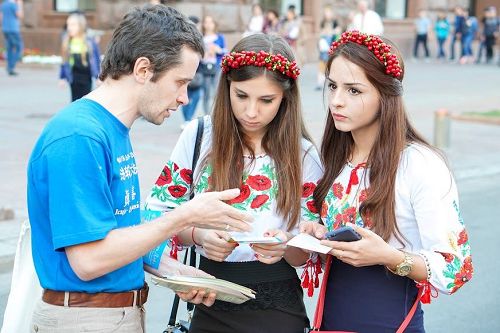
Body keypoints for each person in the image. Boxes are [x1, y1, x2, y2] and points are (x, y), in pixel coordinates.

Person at [27, 5, 253, 332]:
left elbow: (117, 231)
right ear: (143, 69)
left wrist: (170, 267)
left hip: (111, 314)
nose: (184, 98)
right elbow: (89, 261)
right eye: (180, 82)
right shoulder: (80, 136)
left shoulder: (109, 129)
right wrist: (185, 215)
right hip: (86, 319)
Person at [144, 33, 323, 333]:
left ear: (286, 97)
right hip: (208, 295)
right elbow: (157, 215)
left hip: (277, 304)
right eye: (241, 95)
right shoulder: (199, 136)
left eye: (267, 100)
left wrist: (285, 245)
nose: (251, 112)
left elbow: (308, 249)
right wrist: (199, 234)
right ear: (226, 87)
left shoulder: (303, 154)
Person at [300, 30, 473, 332]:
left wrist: (389, 257)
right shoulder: (333, 159)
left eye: (354, 90)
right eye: (332, 86)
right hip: (330, 321)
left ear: (385, 94)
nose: (336, 101)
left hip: (391, 322)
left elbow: (457, 267)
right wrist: (317, 234)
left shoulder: (418, 163)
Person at [59, 13, 101, 101]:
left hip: (86, 77)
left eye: (73, 25)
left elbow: (96, 60)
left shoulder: (89, 42)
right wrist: (62, 77)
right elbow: (64, 61)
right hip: (73, 77)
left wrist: (98, 77)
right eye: (68, 25)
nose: (69, 27)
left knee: (85, 99)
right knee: (74, 100)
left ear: (81, 26)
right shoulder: (67, 41)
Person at [180, 15, 204, 129]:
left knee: (195, 95)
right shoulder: (185, 38)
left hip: (198, 71)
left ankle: (187, 119)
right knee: (186, 95)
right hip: (188, 71)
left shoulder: (200, 38)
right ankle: (187, 119)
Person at [316, 5, 341, 90]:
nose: (327, 14)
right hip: (323, 47)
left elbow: (338, 32)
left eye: (328, 12)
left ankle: (332, 81)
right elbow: (320, 33)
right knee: (322, 64)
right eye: (326, 13)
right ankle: (320, 82)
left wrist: (331, 32)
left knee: (331, 64)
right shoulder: (323, 22)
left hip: (331, 45)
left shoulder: (335, 22)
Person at [0, 0, 23, 76]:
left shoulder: (3, 4)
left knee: (9, 48)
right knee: (19, 48)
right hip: (13, 29)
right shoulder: (13, 5)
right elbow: (20, 15)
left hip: (5, 29)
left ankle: (9, 66)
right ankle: (11, 67)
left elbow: (1, 17)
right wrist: (20, 5)